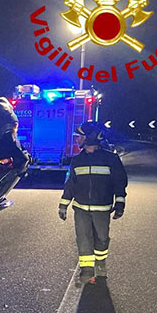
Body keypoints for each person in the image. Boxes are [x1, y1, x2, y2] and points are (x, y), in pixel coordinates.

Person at [58, 121, 128, 285]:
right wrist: (63, 205)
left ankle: (100, 264)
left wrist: (120, 203)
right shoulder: (77, 160)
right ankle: (87, 270)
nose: (77, 140)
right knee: (83, 238)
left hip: (102, 208)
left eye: (80, 137)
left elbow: (119, 182)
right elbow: (71, 184)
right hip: (81, 208)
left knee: (102, 239)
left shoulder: (111, 159)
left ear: (89, 138)